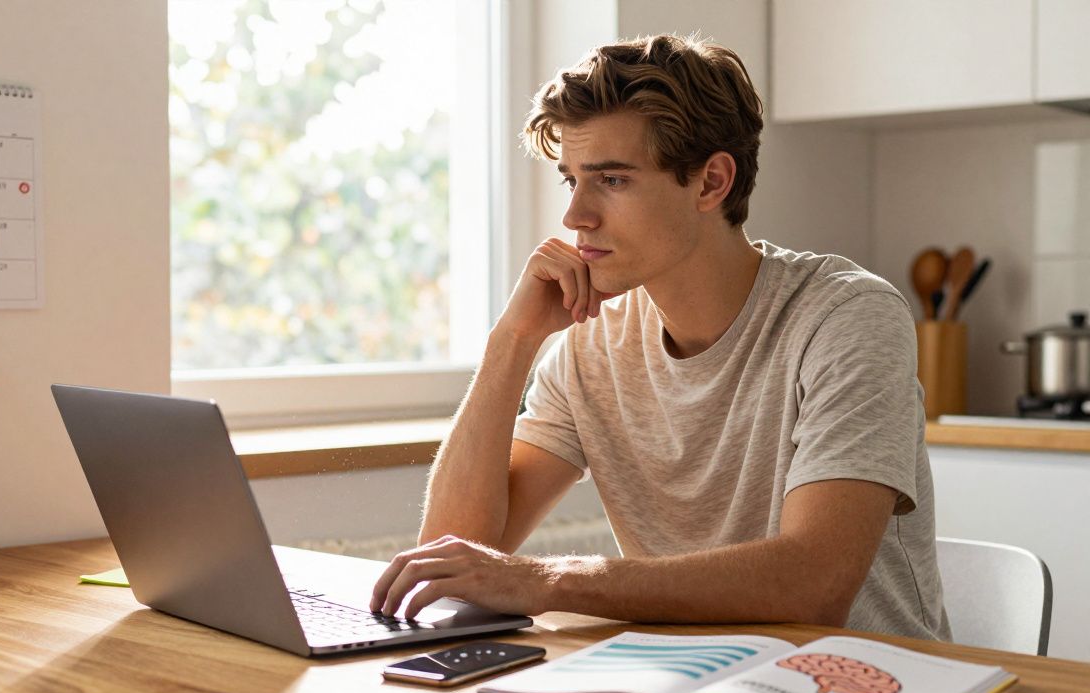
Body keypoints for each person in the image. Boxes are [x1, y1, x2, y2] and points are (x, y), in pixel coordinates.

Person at [369, 33, 950, 641]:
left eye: (612, 180)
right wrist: (511, 342)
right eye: (571, 180)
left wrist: (544, 580)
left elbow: (814, 585)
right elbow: (451, 558)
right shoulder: (591, 343)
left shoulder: (846, 316)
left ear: (710, 183)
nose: (575, 217)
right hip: (685, 686)